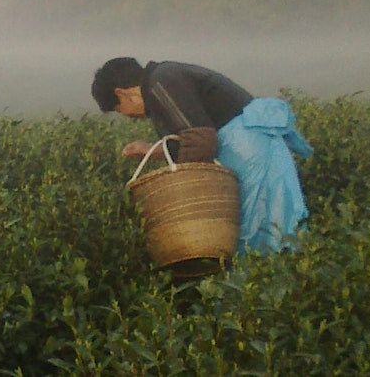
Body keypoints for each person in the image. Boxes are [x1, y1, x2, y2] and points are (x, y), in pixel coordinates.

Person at [91, 57, 314, 256]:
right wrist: (151, 151)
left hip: (250, 152)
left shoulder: (160, 83)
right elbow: (191, 137)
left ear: (121, 93)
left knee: (264, 229)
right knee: (262, 229)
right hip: (247, 150)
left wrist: (184, 192)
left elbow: (200, 139)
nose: (128, 116)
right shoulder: (163, 79)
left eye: (119, 110)